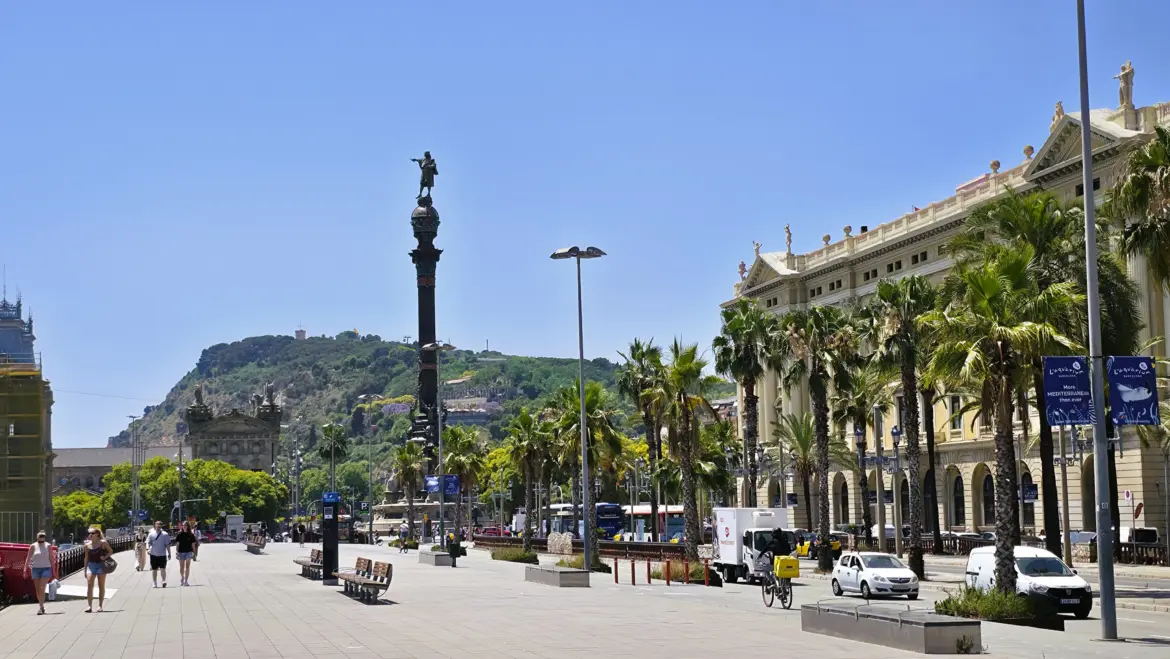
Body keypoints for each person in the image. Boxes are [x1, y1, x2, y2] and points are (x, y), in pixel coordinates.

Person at [22, 531, 54, 615]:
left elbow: (51, 558)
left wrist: (54, 571)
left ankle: (41, 607)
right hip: (36, 569)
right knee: (37, 590)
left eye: (43, 537)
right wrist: (25, 570)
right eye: (40, 537)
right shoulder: (33, 546)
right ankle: (41, 606)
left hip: (46, 568)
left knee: (42, 587)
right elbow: (28, 558)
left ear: (44, 538)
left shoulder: (48, 546)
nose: (41, 538)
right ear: (37, 538)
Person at [84, 527, 113, 613]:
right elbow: (86, 558)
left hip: (101, 565)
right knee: (89, 585)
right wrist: (85, 569)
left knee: (101, 586)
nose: (90, 535)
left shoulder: (103, 543)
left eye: (92, 533)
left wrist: (105, 557)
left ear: (97, 534)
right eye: (90, 533)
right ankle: (89, 606)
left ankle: (100, 605)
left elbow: (110, 551)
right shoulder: (87, 545)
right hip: (91, 566)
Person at [146, 520, 172, 588]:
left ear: (161, 526)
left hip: (162, 554)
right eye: (157, 525)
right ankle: (154, 582)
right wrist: (148, 549)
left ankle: (164, 581)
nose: (158, 527)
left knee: (163, 568)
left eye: (159, 525)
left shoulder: (165, 534)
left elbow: (167, 545)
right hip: (153, 554)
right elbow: (148, 542)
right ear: (155, 526)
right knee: (154, 569)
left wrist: (169, 553)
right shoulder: (151, 534)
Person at [174, 521, 199, 586]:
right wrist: (176, 552)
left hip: (189, 552)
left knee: (187, 566)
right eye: (183, 525)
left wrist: (194, 553)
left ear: (188, 526)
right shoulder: (179, 534)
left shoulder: (191, 535)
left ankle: (186, 580)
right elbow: (177, 544)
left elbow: (193, 544)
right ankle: (182, 577)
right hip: (181, 552)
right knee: (181, 567)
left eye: (186, 525)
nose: (184, 527)